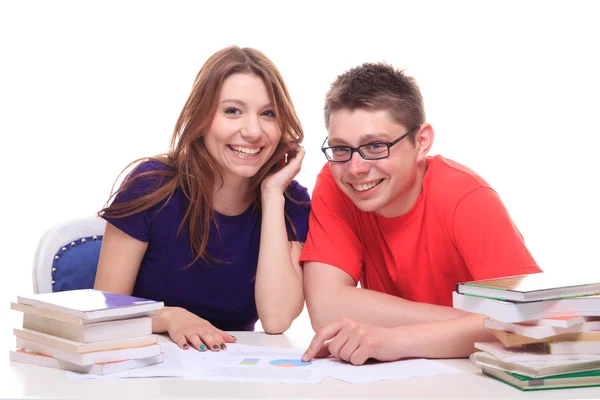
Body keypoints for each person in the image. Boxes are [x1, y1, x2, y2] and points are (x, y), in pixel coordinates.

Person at [300, 62, 541, 365]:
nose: (356, 168)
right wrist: (472, 321)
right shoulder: (337, 182)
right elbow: (326, 308)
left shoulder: (466, 198)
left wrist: (395, 340)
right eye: (340, 149)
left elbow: (528, 321)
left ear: (421, 142)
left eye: (375, 146)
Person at [94, 46, 310, 352]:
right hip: (147, 370)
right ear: (202, 117)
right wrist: (169, 317)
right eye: (232, 110)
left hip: (228, 374)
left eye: (268, 113)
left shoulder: (291, 202)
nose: (252, 131)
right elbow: (104, 313)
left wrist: (272, 194)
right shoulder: (151, 186)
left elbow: (276, 320)